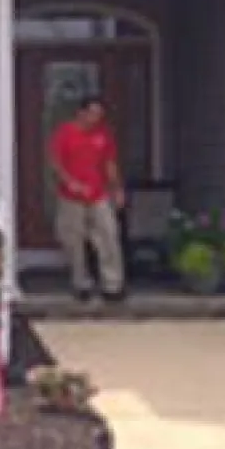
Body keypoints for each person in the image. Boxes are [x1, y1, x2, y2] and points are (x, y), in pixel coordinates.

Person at [49, 95, 125, 303]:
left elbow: (109, 163)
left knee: (108, 234)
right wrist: (69, 181)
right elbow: (56, 162)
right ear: (81, 113)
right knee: (73, 239)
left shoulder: (103, 135)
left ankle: (113, 284)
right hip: (71, 196)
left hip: (98, 193)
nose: (96, 118)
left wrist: (116, 189)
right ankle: (81, 282)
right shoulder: (65, 133)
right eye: (92, 113)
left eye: (99, 115)